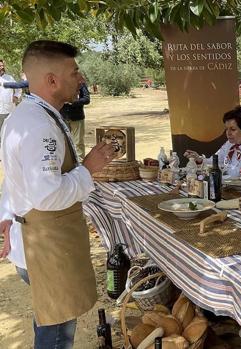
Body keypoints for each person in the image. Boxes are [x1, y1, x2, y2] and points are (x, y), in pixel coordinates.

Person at [0, 40, 115, 349]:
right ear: (52, 80)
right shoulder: (38, 126)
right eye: (74, 71)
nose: (81, 78)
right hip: (46, 248)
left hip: (36, 242)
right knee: (56, 334)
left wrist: (7, 213)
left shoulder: (25, 117)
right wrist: (89, 168)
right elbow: (47, 196)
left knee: (51, 322)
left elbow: (15, 177)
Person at [184, 106, 241, 177]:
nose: (228, 133)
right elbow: (215, 160)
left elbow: (237, 174)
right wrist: (199, 159)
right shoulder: (230, 144)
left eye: (233, 129)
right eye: (226, 129)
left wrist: (220, 168)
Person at [61, 82, 90, 160]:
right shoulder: (59, 82)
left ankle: (79, 164)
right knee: (64, 143)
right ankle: (66, 164)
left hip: (77, 117)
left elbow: (86, 99)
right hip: (62, 117)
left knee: (78, 143)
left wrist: (73, 102)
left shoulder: (80, 83)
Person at [0, 60, 21, 134]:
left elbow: (18, 88)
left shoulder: (9, 78)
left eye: (2, 66)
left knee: (8, 132)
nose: (1, 67)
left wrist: (16, 96)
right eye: (0, 66)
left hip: (9, 109)